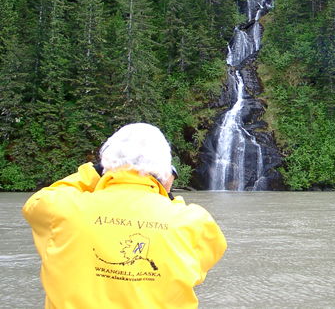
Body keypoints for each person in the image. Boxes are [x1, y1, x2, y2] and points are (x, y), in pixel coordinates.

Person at [23, 123, 227, 309]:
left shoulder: (63, 208)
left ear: (105, 166)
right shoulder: (192, 220)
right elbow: (202, 260)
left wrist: (94, 173)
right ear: (166, 173)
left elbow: (36, 203)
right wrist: (164, 193)